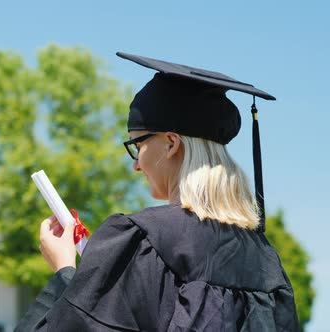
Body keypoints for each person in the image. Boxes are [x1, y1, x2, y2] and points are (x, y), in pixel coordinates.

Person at [15, 53, 299, 331]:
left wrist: (65, 270)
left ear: (171, 144)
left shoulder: (143, 240)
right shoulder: (266, 262)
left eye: (138, 146)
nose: (137, 165)